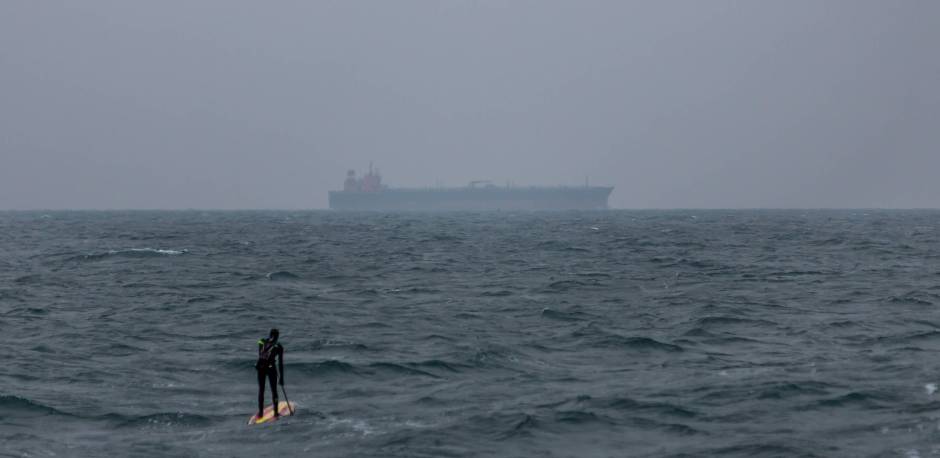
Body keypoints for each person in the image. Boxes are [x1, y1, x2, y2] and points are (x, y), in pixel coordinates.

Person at [255, 328, 285, 419]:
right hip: (271, 368)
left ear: (269, 334)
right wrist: (282, 378)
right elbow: (280, 363)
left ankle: (260, 413)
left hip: (260, 368)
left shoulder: (261, 341)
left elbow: (260, 355)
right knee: (274, 391)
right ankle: (276, 413)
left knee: (261, 390)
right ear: (277, 336)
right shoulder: (279, 347)